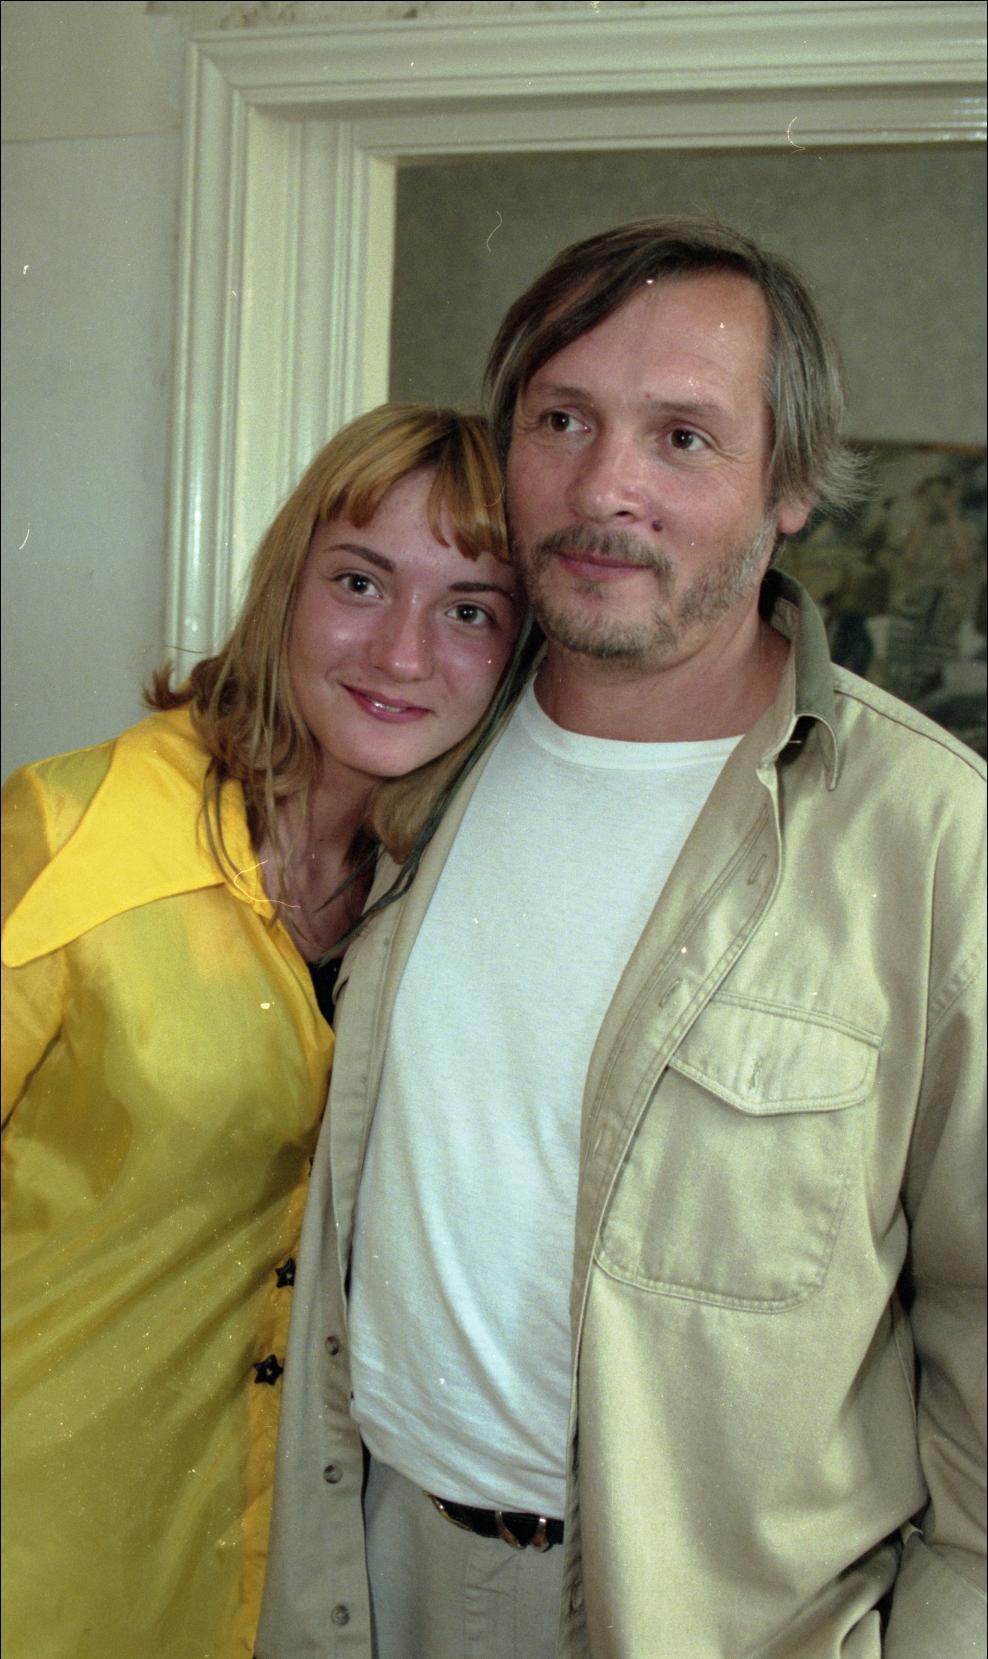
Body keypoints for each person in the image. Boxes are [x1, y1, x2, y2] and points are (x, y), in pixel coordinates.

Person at [257, 221, 987, 1658]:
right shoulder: (418, 747)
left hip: (726, 1623)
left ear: (789, 486)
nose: (604, 489)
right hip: (359, 1568)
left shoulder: (928, 838)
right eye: (563, 420)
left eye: (683, 437)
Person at [1, 403, 523, 1659]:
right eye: (360, 582)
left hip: (280, 1583)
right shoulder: (68, 833)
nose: (401, 652)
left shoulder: (463, 899)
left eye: (469, 610)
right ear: (287, 584)